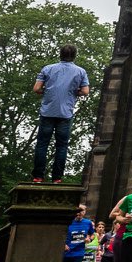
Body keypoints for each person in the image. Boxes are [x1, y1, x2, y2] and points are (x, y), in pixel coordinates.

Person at [31, 43, 89, 182]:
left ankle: (38, 176)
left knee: (42, 144)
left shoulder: (48, 68)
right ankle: (57, 178)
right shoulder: (80, 71)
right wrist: (74, 92)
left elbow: (36, 88)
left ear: (60, 54)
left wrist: (48, 90)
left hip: (47, 111)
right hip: (65, 113)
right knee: (61, 146)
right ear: (74, 56)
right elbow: (85, 91)